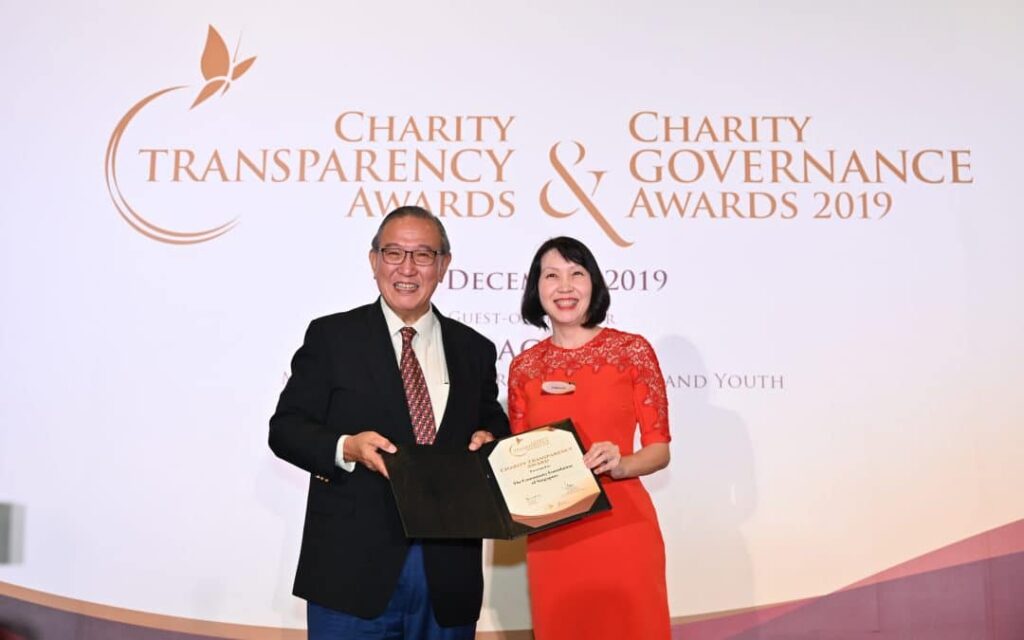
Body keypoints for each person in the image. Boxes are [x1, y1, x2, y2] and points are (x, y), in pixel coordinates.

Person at [269, 206, 510, 640]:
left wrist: (490, 438)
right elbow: (285, 429)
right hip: (350, 573)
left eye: (422, 255)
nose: (407, 268)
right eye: (394, 253)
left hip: (447, 574)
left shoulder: (475, 349)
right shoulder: (331, 337)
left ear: (443, 265)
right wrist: (347, 446)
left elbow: (493, 426)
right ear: (373, 260)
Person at [507, 236, 672, 640]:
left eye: (576, 274)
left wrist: (622, 463)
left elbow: (659, 450)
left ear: (593, 284)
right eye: (552, 276)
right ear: (536, 289)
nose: (564, 287)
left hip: (623, 528)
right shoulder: (524, 368)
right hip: (553, 536)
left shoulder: (632, 351)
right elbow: (521, 459)